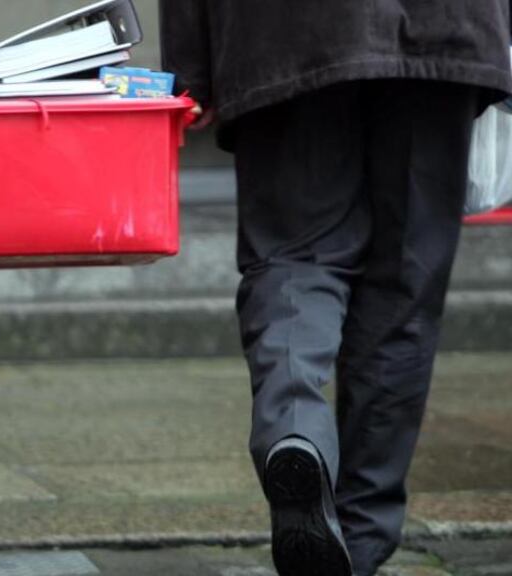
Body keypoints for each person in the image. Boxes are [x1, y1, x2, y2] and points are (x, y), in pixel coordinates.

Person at [160, 2, 511, 575]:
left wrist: (189, 69)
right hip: (445, 27)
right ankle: (361, 537)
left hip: (285, 32)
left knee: (295, 257)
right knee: (405, 287)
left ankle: (294, 429)